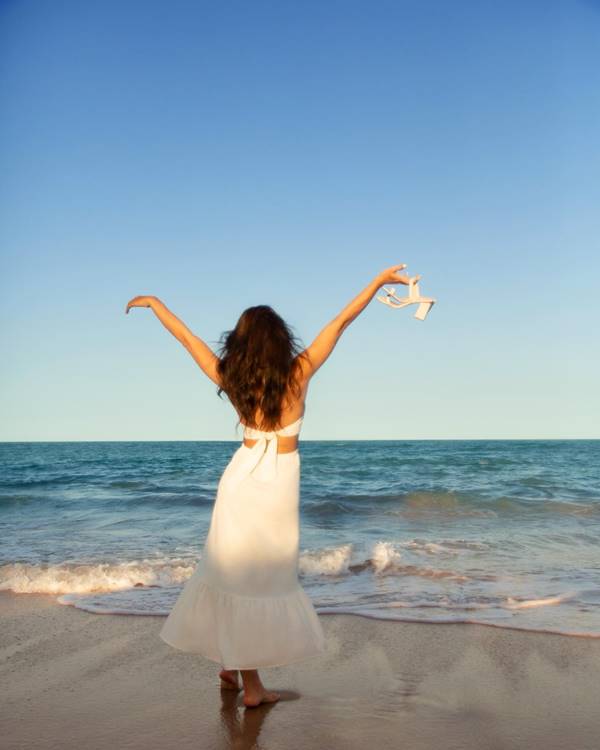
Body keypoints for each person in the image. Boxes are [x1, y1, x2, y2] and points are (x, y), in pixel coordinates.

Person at [125, 263, 410, 707]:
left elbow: (188, 340)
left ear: (240, 342)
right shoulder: (299, 372)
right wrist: (375, 283)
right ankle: (253, 688)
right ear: (280, 339)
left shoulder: (230, 377)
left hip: (239, 480)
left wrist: (155, 304)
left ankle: (229, 665)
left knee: (231, 574)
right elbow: (342, 322)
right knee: (259, 582)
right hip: (277, 487)